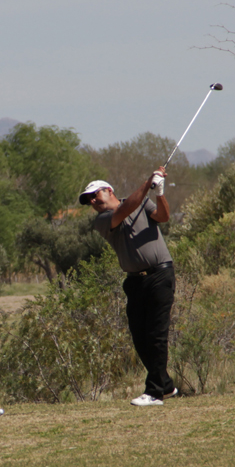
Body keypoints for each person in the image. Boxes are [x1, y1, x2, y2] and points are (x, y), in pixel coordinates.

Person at [78, 168, 177, 406]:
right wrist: (147, 185)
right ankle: (165, 385)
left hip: (160, 275)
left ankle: (154, 392)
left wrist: (159, 193)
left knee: (156, 334)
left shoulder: (140, 203)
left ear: (108, 190)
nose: (92, 201)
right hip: (134, 281)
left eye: (94, 195)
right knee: (140, 337)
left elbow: (163, 217)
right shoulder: (103, 220)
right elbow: (125, 209)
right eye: (88, 200)